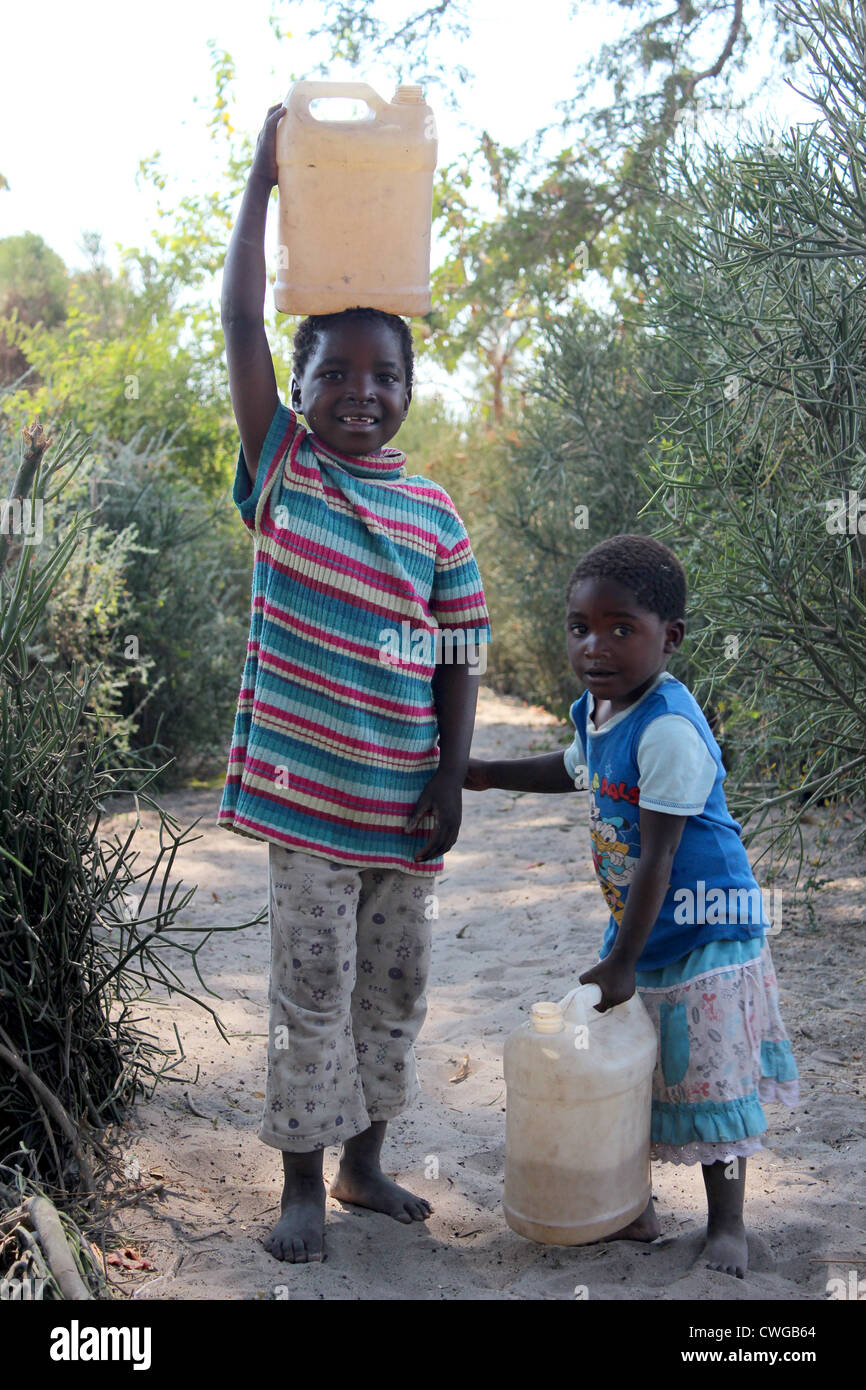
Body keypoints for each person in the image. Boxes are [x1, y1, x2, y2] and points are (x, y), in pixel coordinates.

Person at [218, 104, 490, 1263]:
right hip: (308, 810)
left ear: (409, 392)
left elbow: (459, 649)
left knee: (393, 993)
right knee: (308, 997)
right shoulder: (283, 470)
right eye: (336, 372)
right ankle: (297, 1182)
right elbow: (237, 321)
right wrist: (260, 183)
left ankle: (365, 1162)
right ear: (302, 383)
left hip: (402, 809)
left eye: (385, 376)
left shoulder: (432, 512)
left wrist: (452, 775)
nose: (360, 394)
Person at [465, 534, 798, 1278]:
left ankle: (728, 1225)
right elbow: (573, 768)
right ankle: (631, 1205)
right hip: (642, 932)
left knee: (712, 1082)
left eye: (622, 629)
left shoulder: (670, 728)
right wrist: (487, 773)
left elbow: (660, 856)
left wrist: (619, 963)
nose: (595, 646)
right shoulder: (599, 709)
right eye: (580, 627)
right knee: (632, 1073)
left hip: (707, 931)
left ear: (669, 637)